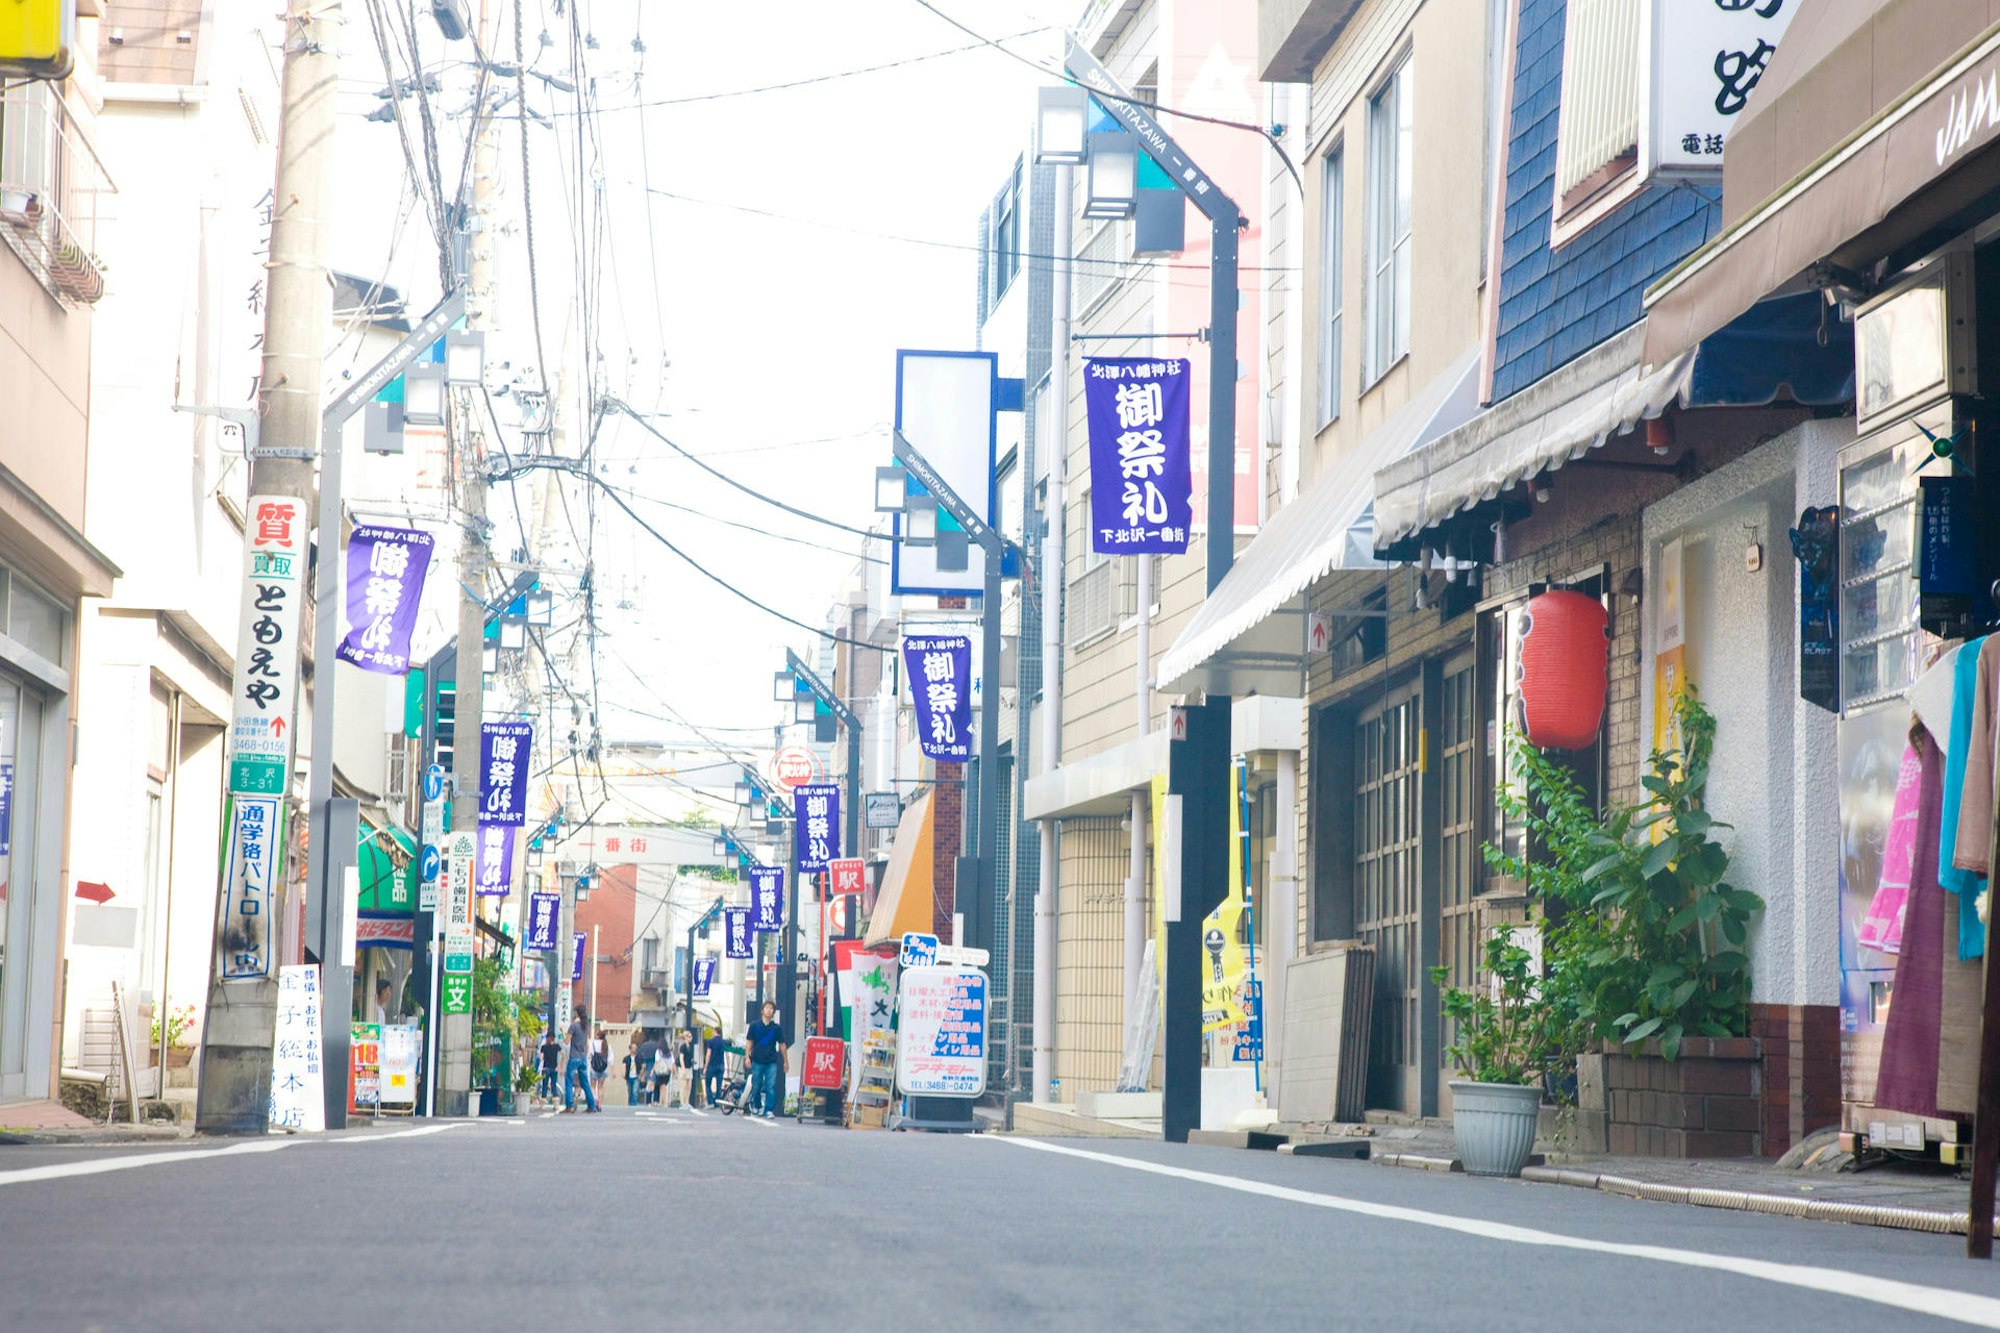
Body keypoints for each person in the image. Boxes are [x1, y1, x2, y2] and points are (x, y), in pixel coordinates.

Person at [744, 1000, 787, 1118]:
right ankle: (756, 1106)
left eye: (771, 1008)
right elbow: (749, 1042)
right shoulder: (754, 1025)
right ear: (762, 1010)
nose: (769, 1010)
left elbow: (782, 1045)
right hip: (757, 1060)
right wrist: (747, 1057)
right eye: (767, 1008)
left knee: (770, 1086)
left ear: (773, 1012)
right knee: (756, 1085)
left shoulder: (776, 1028)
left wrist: (785, 1061)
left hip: (771, 1061)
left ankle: (768, 1109)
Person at [562, 1007, 599, 1113]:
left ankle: (569, 1106)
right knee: (585, 1083)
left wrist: (563, 1032)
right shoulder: (585, 1027)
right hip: (583, 1058)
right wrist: (584, 1055)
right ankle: (591, 1106)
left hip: (574, 1057)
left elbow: (566, 1041)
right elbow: (587, 1045)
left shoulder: (573, 1026)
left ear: (576, 1013)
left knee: (569, 1081)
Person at [702, 1026, 728, 1107]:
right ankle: (717, 1103)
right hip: (721, 1065)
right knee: (719, 1085)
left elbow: (708, 1054)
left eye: (713, 1031)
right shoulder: (724, 1042)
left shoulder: (710, 1041)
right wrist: (728, 1067)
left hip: (711, 1065)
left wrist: (705, 1066)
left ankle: (710, 1102)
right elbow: (727, 1055)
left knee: (708, 1084)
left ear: (715, 1031)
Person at [537, 1027, 561, 1104]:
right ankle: (556, 1102)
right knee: (553, 1085)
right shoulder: (557, 1046)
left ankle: (543, 1103)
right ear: (554, 1038)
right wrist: (560, 1065)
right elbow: (563, 1054)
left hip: (546, 1068)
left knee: (545, 1085)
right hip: (554, 1068)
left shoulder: (544, 1047)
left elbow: (541, 1058)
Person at [675, 1030, 696, 1107]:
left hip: (689, 1067)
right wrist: (683, 1068)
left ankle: (687, 1102)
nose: (691, 1038)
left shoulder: (691, 1046)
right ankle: (682, 1102)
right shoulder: (682, 1046)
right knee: (683, 1085)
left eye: (691, 1036)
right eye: (689, 1036)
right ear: (685, 1037)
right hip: (683, 1067)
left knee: (689, 1085)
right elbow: (681, 1058)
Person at [590, 1026, 610, 1104]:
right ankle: (599, 1104)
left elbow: (590, 1054)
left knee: (593, 1086)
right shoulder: (606, 1045)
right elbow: (610, 1058)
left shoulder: (593, 1043)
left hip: (594, 1067)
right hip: (604, 1069)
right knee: (600, 1087)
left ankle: (595, 1100)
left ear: (598, 1036)